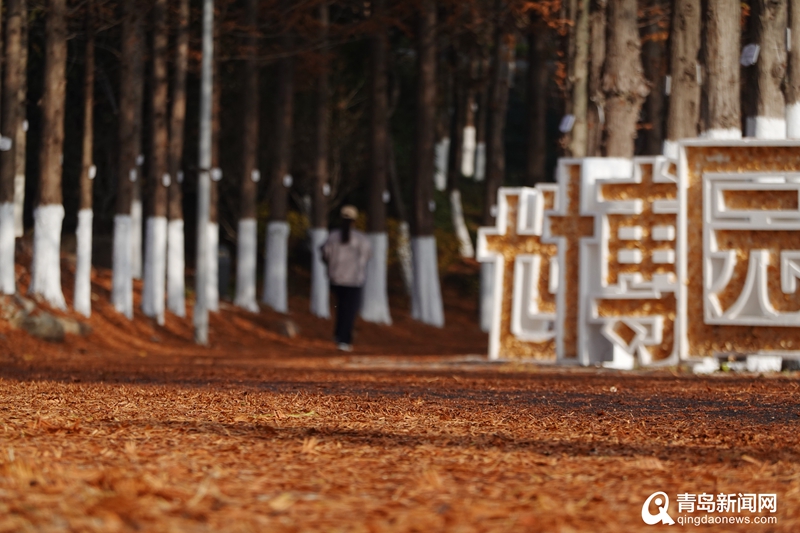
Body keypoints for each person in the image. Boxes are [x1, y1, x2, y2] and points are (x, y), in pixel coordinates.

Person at [321, 205, 371, 351]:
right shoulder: (361, 239)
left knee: (340, 307)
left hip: (336, 279)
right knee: (350, 310)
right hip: (354, 280)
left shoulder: (332, 236)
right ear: (355, 220)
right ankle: (344, 339)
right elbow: (367, 256)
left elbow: (324, 254)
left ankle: (338, 334)